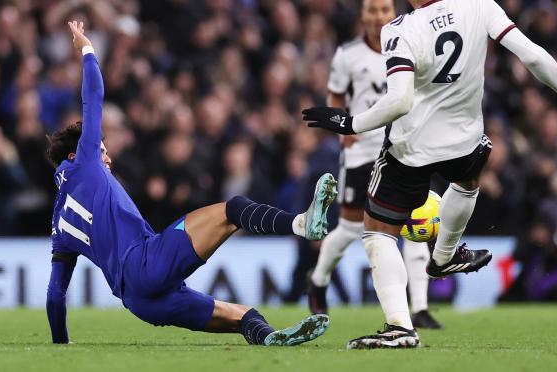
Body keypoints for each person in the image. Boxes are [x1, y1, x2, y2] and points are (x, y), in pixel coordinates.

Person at [303, 0, 557, 349]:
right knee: (466, 183)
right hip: (466, 142)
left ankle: (400, 326)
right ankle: (444, 255)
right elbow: (532, 55)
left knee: (377, 231)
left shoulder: (400, 30)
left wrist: (350, 122)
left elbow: (399, 101)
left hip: (411, 149)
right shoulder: (480, 6)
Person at [46, 21, 338, 346]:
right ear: (75, 154)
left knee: (244, 316)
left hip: (141, 303)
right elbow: (94, 95)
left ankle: (269, 337)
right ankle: (302, 223)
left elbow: (55, 295)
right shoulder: (85, 163)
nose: (107, 159)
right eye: (102, 151)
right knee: (234, 209)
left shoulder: (59, 224)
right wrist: (86, 47)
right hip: (145, 263)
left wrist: (62, 345)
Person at [306, 0, 441, 330]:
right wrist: (342, 130)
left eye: (383, 9)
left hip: (404, 146)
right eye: (372, 10)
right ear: (363, 15)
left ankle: (420, 306)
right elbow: (336, 94)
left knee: (411, 225)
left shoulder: (411, 41)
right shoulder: (348, 54)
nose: (378, 15)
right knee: (352, 228)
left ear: (392, 12)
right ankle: (319, 279)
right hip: (361, 150)